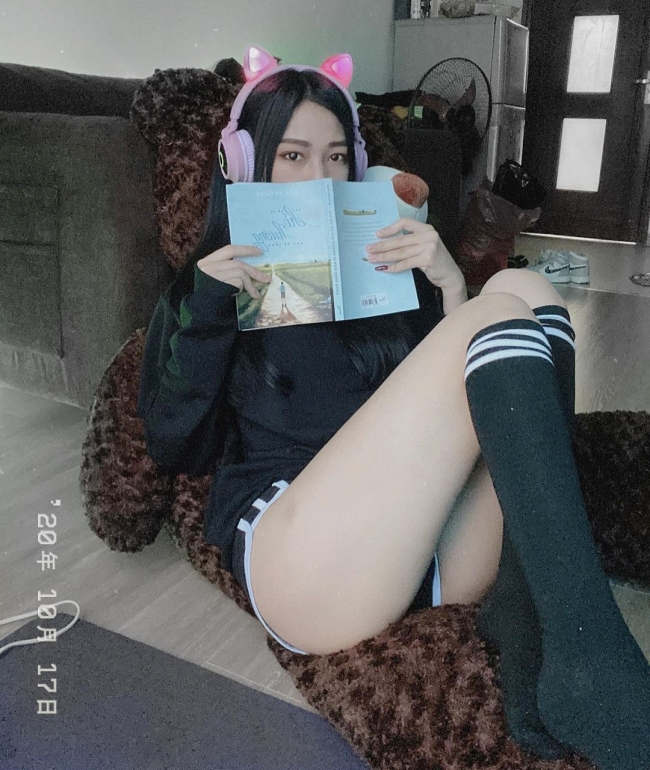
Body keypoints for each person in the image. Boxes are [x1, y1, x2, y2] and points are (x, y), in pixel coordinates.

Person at [138, 46, 650, 770]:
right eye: (292, 156)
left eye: (336, 158)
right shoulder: (199, 292)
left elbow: (452, 408)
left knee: (529, 292)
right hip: (305, 567)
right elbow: (173, 444)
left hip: (428, 560)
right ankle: (589, 655)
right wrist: (210, 310)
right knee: (501, 307)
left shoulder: (381, 267)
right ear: (244, 164)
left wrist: (447, 285)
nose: (320, 179)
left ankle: (522, 608)